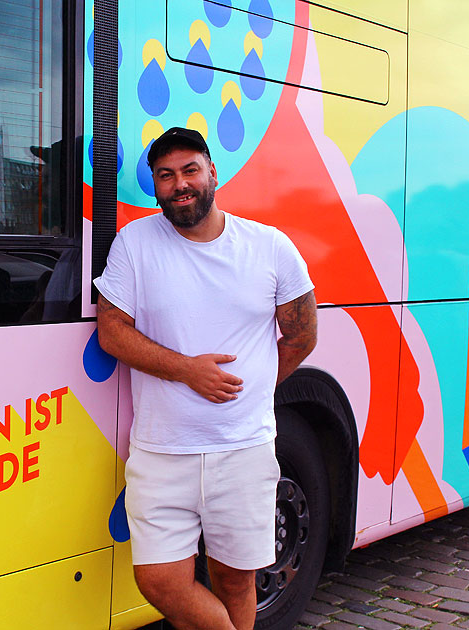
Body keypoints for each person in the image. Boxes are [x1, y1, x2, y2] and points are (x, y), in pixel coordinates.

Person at [94, 127, 317, 630]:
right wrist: (187, 371)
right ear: (155, 185)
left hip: (242, 450)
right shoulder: (135, 243)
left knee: (235, 580)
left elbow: (301, 334)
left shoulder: (268, 246)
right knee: (159, 579)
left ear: (212, 172)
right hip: (161, 451)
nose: (180, 184)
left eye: (190, 170)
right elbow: (112, 332)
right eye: (166, 175)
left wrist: (255, 389)